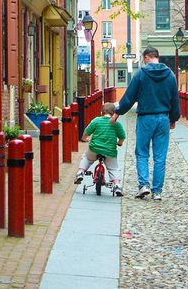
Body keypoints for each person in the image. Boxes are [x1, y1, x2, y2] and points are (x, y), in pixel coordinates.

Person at [111, 47, 180, 200]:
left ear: (148, 57)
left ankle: (144, 185)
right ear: (157, 57)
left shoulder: (141, 74)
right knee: (160, 156)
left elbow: (129, 96)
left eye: (144, 59)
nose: (144, 62)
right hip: (163, 118)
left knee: (142, 153)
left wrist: (118, 111)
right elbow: (175, 99)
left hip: (145, 118)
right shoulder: (170, 76)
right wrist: (173, 119)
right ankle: (157, 192)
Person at [75, 102, 126, 196]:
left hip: (94, 148)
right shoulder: (116, 124)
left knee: (86, 158)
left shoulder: (96, 120)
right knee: (113, 168)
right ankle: (117, 185)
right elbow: (122, 136)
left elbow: (86, 132)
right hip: (110, 151)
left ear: (101, 111)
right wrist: (120, 143)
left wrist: (85, 138)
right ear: (114, 113)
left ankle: (80, 172)